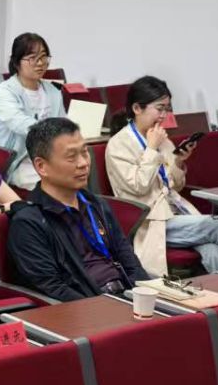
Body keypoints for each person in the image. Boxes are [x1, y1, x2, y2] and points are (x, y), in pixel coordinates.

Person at [106, 76, 218, 278]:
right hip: (150, 221)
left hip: (176, 213)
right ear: (137, 108)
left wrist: (179, 161)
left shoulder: (161, 139)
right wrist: (151, 148)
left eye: (167, 109)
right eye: (159, 109)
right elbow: (139, 186)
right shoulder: (118, 144)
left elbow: (176, 185)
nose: (164, 115)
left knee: (213, 251)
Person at [8, 117, 147, 302]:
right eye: (71, 157)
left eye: (84, 152)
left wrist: (147, 296)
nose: (83, 163)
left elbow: (130, 261)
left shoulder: (97, 205)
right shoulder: (29, 222)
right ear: (42, 166)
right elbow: (53, 288)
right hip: (88, 308)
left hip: (126, 297)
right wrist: (106, 307)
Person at [0, 32, 67, 190]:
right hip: (18, 160)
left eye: (43, 57)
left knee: (79, 174)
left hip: (49, 157)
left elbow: (63, 124)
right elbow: (19, 122)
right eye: (32, 58)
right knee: (56, 184)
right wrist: (52, 133)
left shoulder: (53, 91)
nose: (40, 63)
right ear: (16, 62)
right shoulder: (5, 91)